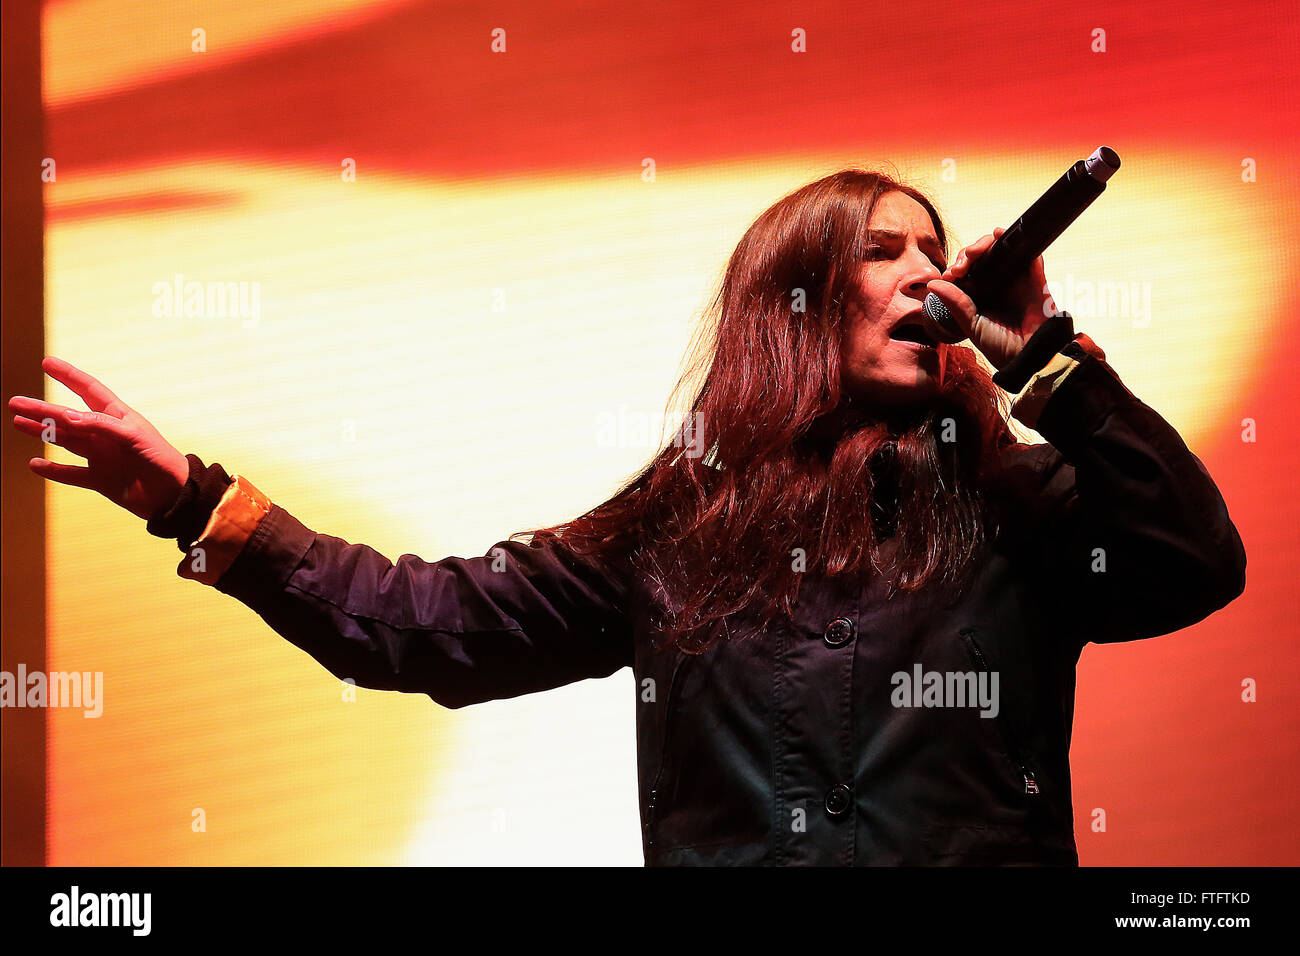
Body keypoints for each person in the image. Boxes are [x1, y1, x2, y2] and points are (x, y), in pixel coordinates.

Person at [9, 169, 1246, 866]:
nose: (931, 274)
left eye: (936, 250)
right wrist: (188, 498)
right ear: (800, 303)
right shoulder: (686, 520)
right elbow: (426, 624)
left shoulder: (1013, 498)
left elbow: (1192, 560)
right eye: (885, 252)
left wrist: (1051, 360)